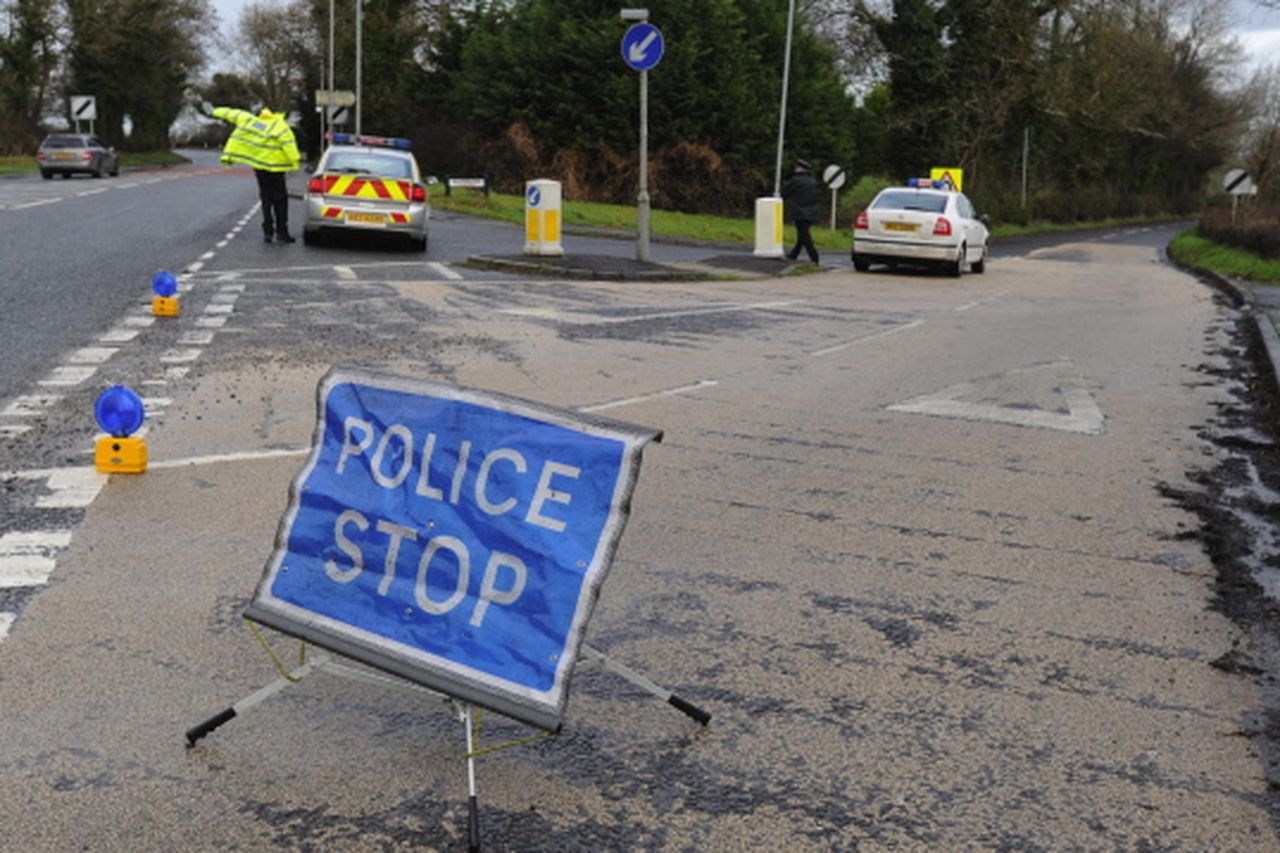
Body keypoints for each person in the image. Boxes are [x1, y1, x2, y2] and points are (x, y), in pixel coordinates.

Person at [206, 103, 301, 243]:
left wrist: (214, 111)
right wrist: (295, 160)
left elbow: (232, 113)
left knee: (266, 199)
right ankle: (282, 232)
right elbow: (288, 144)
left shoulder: (250, 120)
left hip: (260, 167)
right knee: (280, 200)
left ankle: (267, 232)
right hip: (276, 168)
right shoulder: (279, 126)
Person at [781, 159, 820, 264]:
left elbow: (784, 193)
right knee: (802, 234)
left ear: (799, 169)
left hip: (799, 211)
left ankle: (814, 257)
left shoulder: (795, 181)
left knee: (804, 235)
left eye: (797, 167)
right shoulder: (813, 181)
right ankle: (794, 254)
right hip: (812, 212)